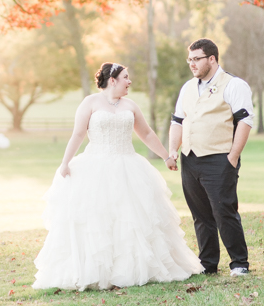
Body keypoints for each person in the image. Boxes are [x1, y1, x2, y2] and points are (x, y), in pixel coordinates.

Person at [33, 62, 203, 291]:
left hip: (128, 166)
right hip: (96, 167)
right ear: (112, 80)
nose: (129, 81)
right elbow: (78, 133)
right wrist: (65, 163)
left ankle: (134, 268)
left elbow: (146, 133)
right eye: (126, 77)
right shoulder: (90, 103)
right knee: (97, 220)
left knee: (131, 219)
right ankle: (98, 270)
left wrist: (166, 157)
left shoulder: (130, 105)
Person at [167, 38, 253, 277]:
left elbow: (245, 121)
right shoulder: (187, 87)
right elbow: (177, 121)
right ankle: (208, 264)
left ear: (212, 59)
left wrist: (233, 156)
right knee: (201, 215)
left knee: (224, 211)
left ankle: (239, 263)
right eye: (189, 59)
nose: (191, 64)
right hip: (190, 159)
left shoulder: (234, 85)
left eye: (197, 59)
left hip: (220, 158)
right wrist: (173, 150)